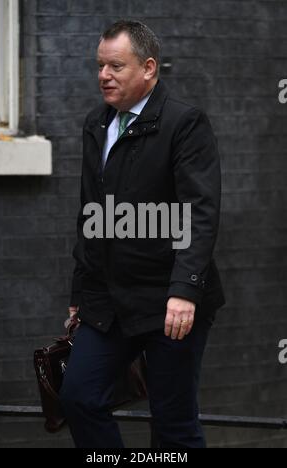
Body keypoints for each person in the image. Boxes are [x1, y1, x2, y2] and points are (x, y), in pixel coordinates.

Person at [60, 20, 225, 448]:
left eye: (115, 66)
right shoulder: (97, 124)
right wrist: (81, 293)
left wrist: (186, 290)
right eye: (99, 66)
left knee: (173, 425)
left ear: (149, 68)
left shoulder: (184, 123)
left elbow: (200, 212)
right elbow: (90, 215)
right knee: (78, 396)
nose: (103, 75)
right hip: (109, 301)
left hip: (170, 302)